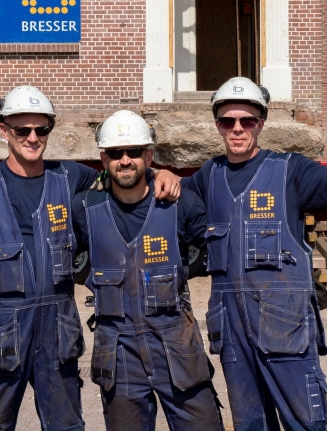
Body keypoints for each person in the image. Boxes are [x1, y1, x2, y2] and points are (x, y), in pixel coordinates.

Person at [0, 86, 181, 431]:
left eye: (41, 129)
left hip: (57, 332)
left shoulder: (73, 177)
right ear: (3, 131)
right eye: (21, 129)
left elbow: (124, 176)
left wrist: (159, 173)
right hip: (0, 333)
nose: (32, 137)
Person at [181, 77, 327, 431]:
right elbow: (169, 197)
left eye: (247, 121)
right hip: (233, 334)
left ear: (261, 123)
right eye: (227, 121)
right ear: (218, 125)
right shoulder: (209, 175)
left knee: (305, 425)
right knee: (251, 425)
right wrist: (160, 172)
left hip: (285, 331)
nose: (237, 129)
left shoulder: (290, 171)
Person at [71, 110, 223, 431]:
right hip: (119, 356)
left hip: (178, 351)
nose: (125, 160)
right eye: (115, 153)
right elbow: (58, 253)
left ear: (149, 155)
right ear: (104, 159)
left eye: (134, 152)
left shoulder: (180, 204)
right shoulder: (84, 210)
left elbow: (217, 251)